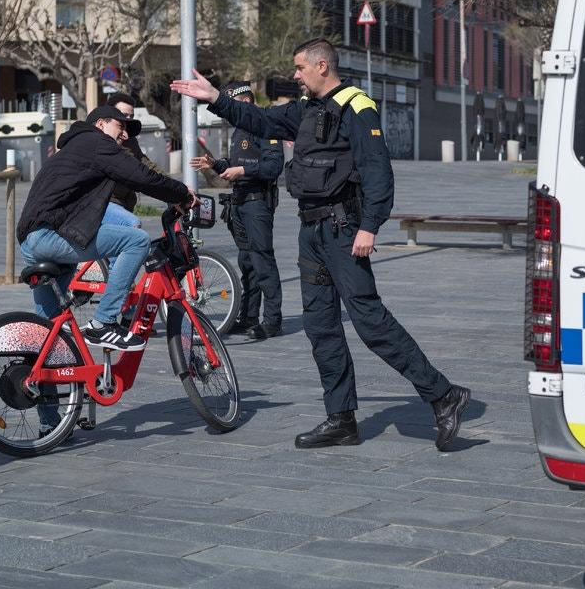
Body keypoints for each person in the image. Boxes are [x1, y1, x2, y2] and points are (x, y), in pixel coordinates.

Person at [171, 39, 471, 451]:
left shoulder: (357, 107)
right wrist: (216, 99)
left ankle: (443, 396)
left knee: (370, 322)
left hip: (344, 230)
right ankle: (341, 418)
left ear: (321, 65)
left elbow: (377, 170)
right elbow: (261, 120)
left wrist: (370, 226)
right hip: (311, 231)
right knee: (320, 325)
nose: (295, 75)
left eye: (299, 68)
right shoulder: (307, 109)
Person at [17, 104, 193, 353]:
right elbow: (140, 176)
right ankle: (104, 322)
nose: (124, 136)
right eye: (120, 127)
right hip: (50, 236)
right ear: (101, 124)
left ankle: (37, 379)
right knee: (136, 240)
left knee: (50, 326)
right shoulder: (97, 143)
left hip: (31, 240)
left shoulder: (73, 149)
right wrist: (182, 193)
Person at [191, 81, 283, 339]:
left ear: (245, 101)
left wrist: (243, 171)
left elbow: (274, 166)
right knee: (247, 262)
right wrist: (215, 164)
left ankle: (272, 321)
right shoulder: (240, 129)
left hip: (257, 203)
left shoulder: (266, 125)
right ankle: (248, 316)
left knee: (262, 260)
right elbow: (234, 164)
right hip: (240, 202)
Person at [100, 92, 169, 228]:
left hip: (125, 202)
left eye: (131, 116)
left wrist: (172, 185)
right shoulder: (99, 140)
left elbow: (145, 163)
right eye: (123, 115)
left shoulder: (130, 140)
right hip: (104, 202)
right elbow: (135, 172)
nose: (128, 119)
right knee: (134, 226)